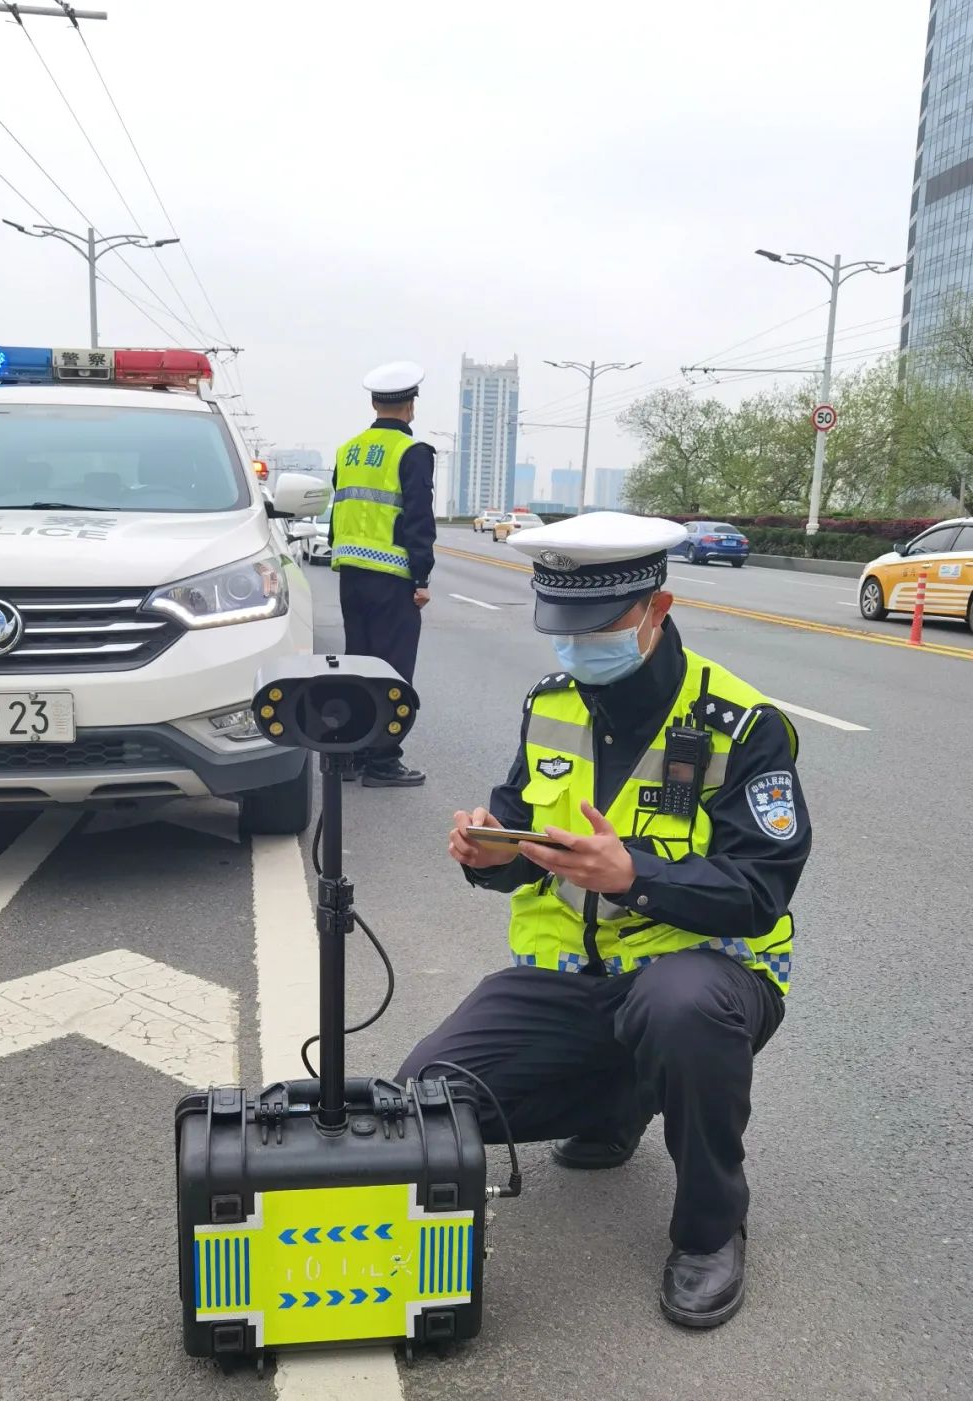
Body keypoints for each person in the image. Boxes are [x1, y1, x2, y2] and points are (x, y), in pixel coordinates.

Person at [398, 511, 812, 1329]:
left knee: (678, 1010)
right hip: (571, 979)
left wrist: (636, 877)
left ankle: (710, 1229)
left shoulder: (741, 725)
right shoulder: (551, 704)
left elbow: (761, 888)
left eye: (598, 625)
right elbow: (523, 834)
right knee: (429, 1099)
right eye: (563, 625)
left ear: (657, 608)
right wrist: (488, 852)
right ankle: (615, 1103)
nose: (577, 644)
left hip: (703, 976)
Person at [331, 360, 436, 787]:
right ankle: (382, 760)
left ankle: (351, 754)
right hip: (392, 578)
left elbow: (339, 511)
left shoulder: (348, 450)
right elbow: (418, 520)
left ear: (374, 404)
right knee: (393, 672)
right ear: (411, 406)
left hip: (350, 575)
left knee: (357, 665)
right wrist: (421, 579)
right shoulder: (412, 452)